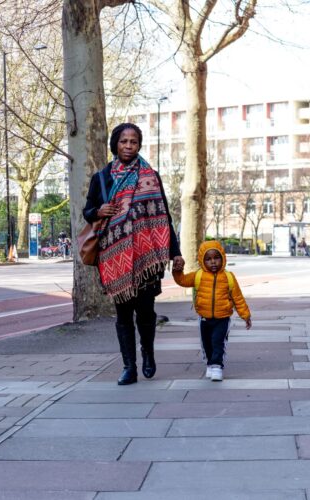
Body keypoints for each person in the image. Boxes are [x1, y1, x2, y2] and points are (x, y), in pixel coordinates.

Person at [83, 123, 184, 385]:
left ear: (139, 145)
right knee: (123, 314)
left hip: (148, 257)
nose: (129, 146)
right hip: (114, 256)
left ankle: (148, 355)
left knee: (147, 312)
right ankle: (129, 367)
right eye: (124, 141)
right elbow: (88, 210)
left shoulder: (151, 175)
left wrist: (175, 252)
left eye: (134, 142)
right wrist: (98, 211)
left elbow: (164, 216)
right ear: (115, 144)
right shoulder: (102, 177)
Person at [172, 240, 251, 382]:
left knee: (218, 342)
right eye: (208, 259)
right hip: (204, 318)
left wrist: (245, 315)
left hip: (223, 318)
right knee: (206, 344)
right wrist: (177, 270)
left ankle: (217, 366)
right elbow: (182, 280)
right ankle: (210, 363)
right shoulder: (198, 276)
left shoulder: (228, 277)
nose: (213, 262)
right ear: (202, 260)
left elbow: (238, 298)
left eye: (216, 258)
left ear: (223, 258)